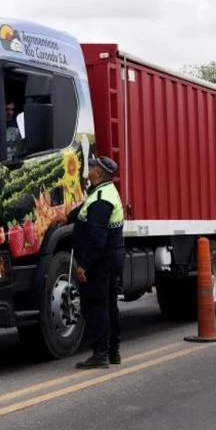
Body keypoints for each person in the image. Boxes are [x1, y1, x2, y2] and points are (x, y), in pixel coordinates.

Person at [71, 156, 125, 369]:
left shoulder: (102, 199)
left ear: (100, 173)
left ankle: (100, 354)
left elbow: (97, 238)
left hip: (100, 261)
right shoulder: (102, 192)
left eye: (92, 167)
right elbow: (83, 213)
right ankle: (113, 352)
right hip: (110, 258)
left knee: (95, 306)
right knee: (109, 305)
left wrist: (84, 265)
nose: (88, 169)